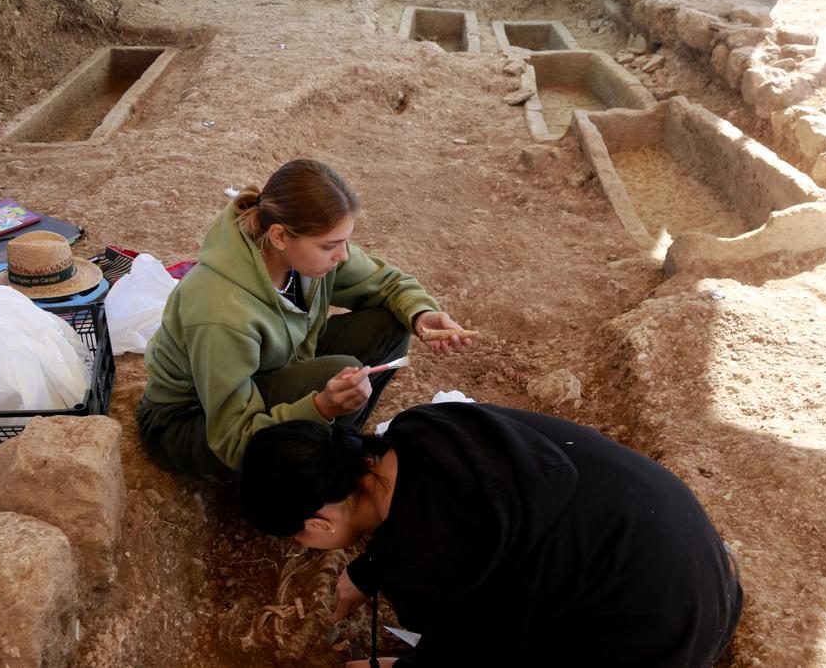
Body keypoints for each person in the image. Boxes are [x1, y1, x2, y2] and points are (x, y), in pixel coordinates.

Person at [240, 402, 743, 667]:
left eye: (301, 540)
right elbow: (478, 512)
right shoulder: (425, 431)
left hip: (659, 645)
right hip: (701, 573)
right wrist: (369, 570)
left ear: (320, 524)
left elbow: (478, 652)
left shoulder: (429, 564)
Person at [136, 159, 470, 480]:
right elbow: (233, 439)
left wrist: (421, 315)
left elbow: (388, 284)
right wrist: (321, 407)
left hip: (268, 368)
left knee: (390, 323)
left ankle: (332, 450)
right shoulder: (221, 311)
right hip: (191, 423)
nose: (341, 256)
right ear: (280, 236)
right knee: (335, 373)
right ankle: (302, 479)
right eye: (330, 246)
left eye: (344, 243)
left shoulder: (297, 249)